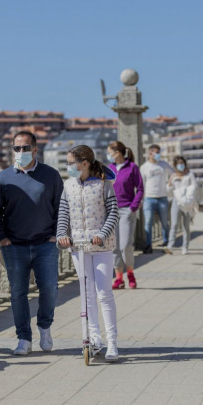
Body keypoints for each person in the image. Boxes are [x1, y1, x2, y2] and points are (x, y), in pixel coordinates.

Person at [0, 130, 64, 355]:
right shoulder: (3, 178)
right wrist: (1, 237)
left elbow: (61, 207)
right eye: (17, 148)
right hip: (14, 246)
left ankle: (44, 326)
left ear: (35, 149)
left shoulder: (51, 175)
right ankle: (23, 338)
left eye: (25, 148)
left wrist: (56, 234)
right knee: (17, 293)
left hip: (45, 244)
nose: (20, 152)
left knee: (50, 289)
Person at [57, 145, 120, 362]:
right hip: (79, 246)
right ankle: (94, 338)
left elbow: (113, 213)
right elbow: (63, 214)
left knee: (103, 293)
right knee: (87, 295)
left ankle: (112, 341)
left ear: (84, 163)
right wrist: (61, 236)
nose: (69, 167)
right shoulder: (68, 186)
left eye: (71, 162)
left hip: (101, 246)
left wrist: (102, 234)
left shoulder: (104, 185)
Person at [107, 141, 144, 290]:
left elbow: (140, 188)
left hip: (127, 210)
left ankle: (130, 273)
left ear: (117, 153)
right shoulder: (109, 169)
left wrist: (133, 206)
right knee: (114, 246)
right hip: (111, 211)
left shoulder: (132, 167)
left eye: (109, 152)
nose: (108, 155)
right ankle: (119, 278)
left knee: (126, 245)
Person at [140, 144, 175, 254]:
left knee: (165, 222)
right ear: (150, 153)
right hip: (148, 198)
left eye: (159, 152)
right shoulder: (144, 167)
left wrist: (169, 183)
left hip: (162, 197)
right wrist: (141, 199)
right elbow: (141, 184)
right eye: (156, 152)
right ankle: (148, 245)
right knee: (148, 223)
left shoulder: (163, 164)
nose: (159, 154)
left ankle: (166, 242)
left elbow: (174, 174)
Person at [169, 156, 197, 255]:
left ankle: (185, 247)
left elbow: (194, 186)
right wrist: (169, 182)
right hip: (176, 202)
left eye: (182, 163)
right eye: (178, 163)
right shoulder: (173, 176)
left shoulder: (190, 175)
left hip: (187, 202)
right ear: (175, 165)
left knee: (186, 226)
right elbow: (169, 192)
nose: (181, 165)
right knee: (174, 224)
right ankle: (170, 246)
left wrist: (186, 194)